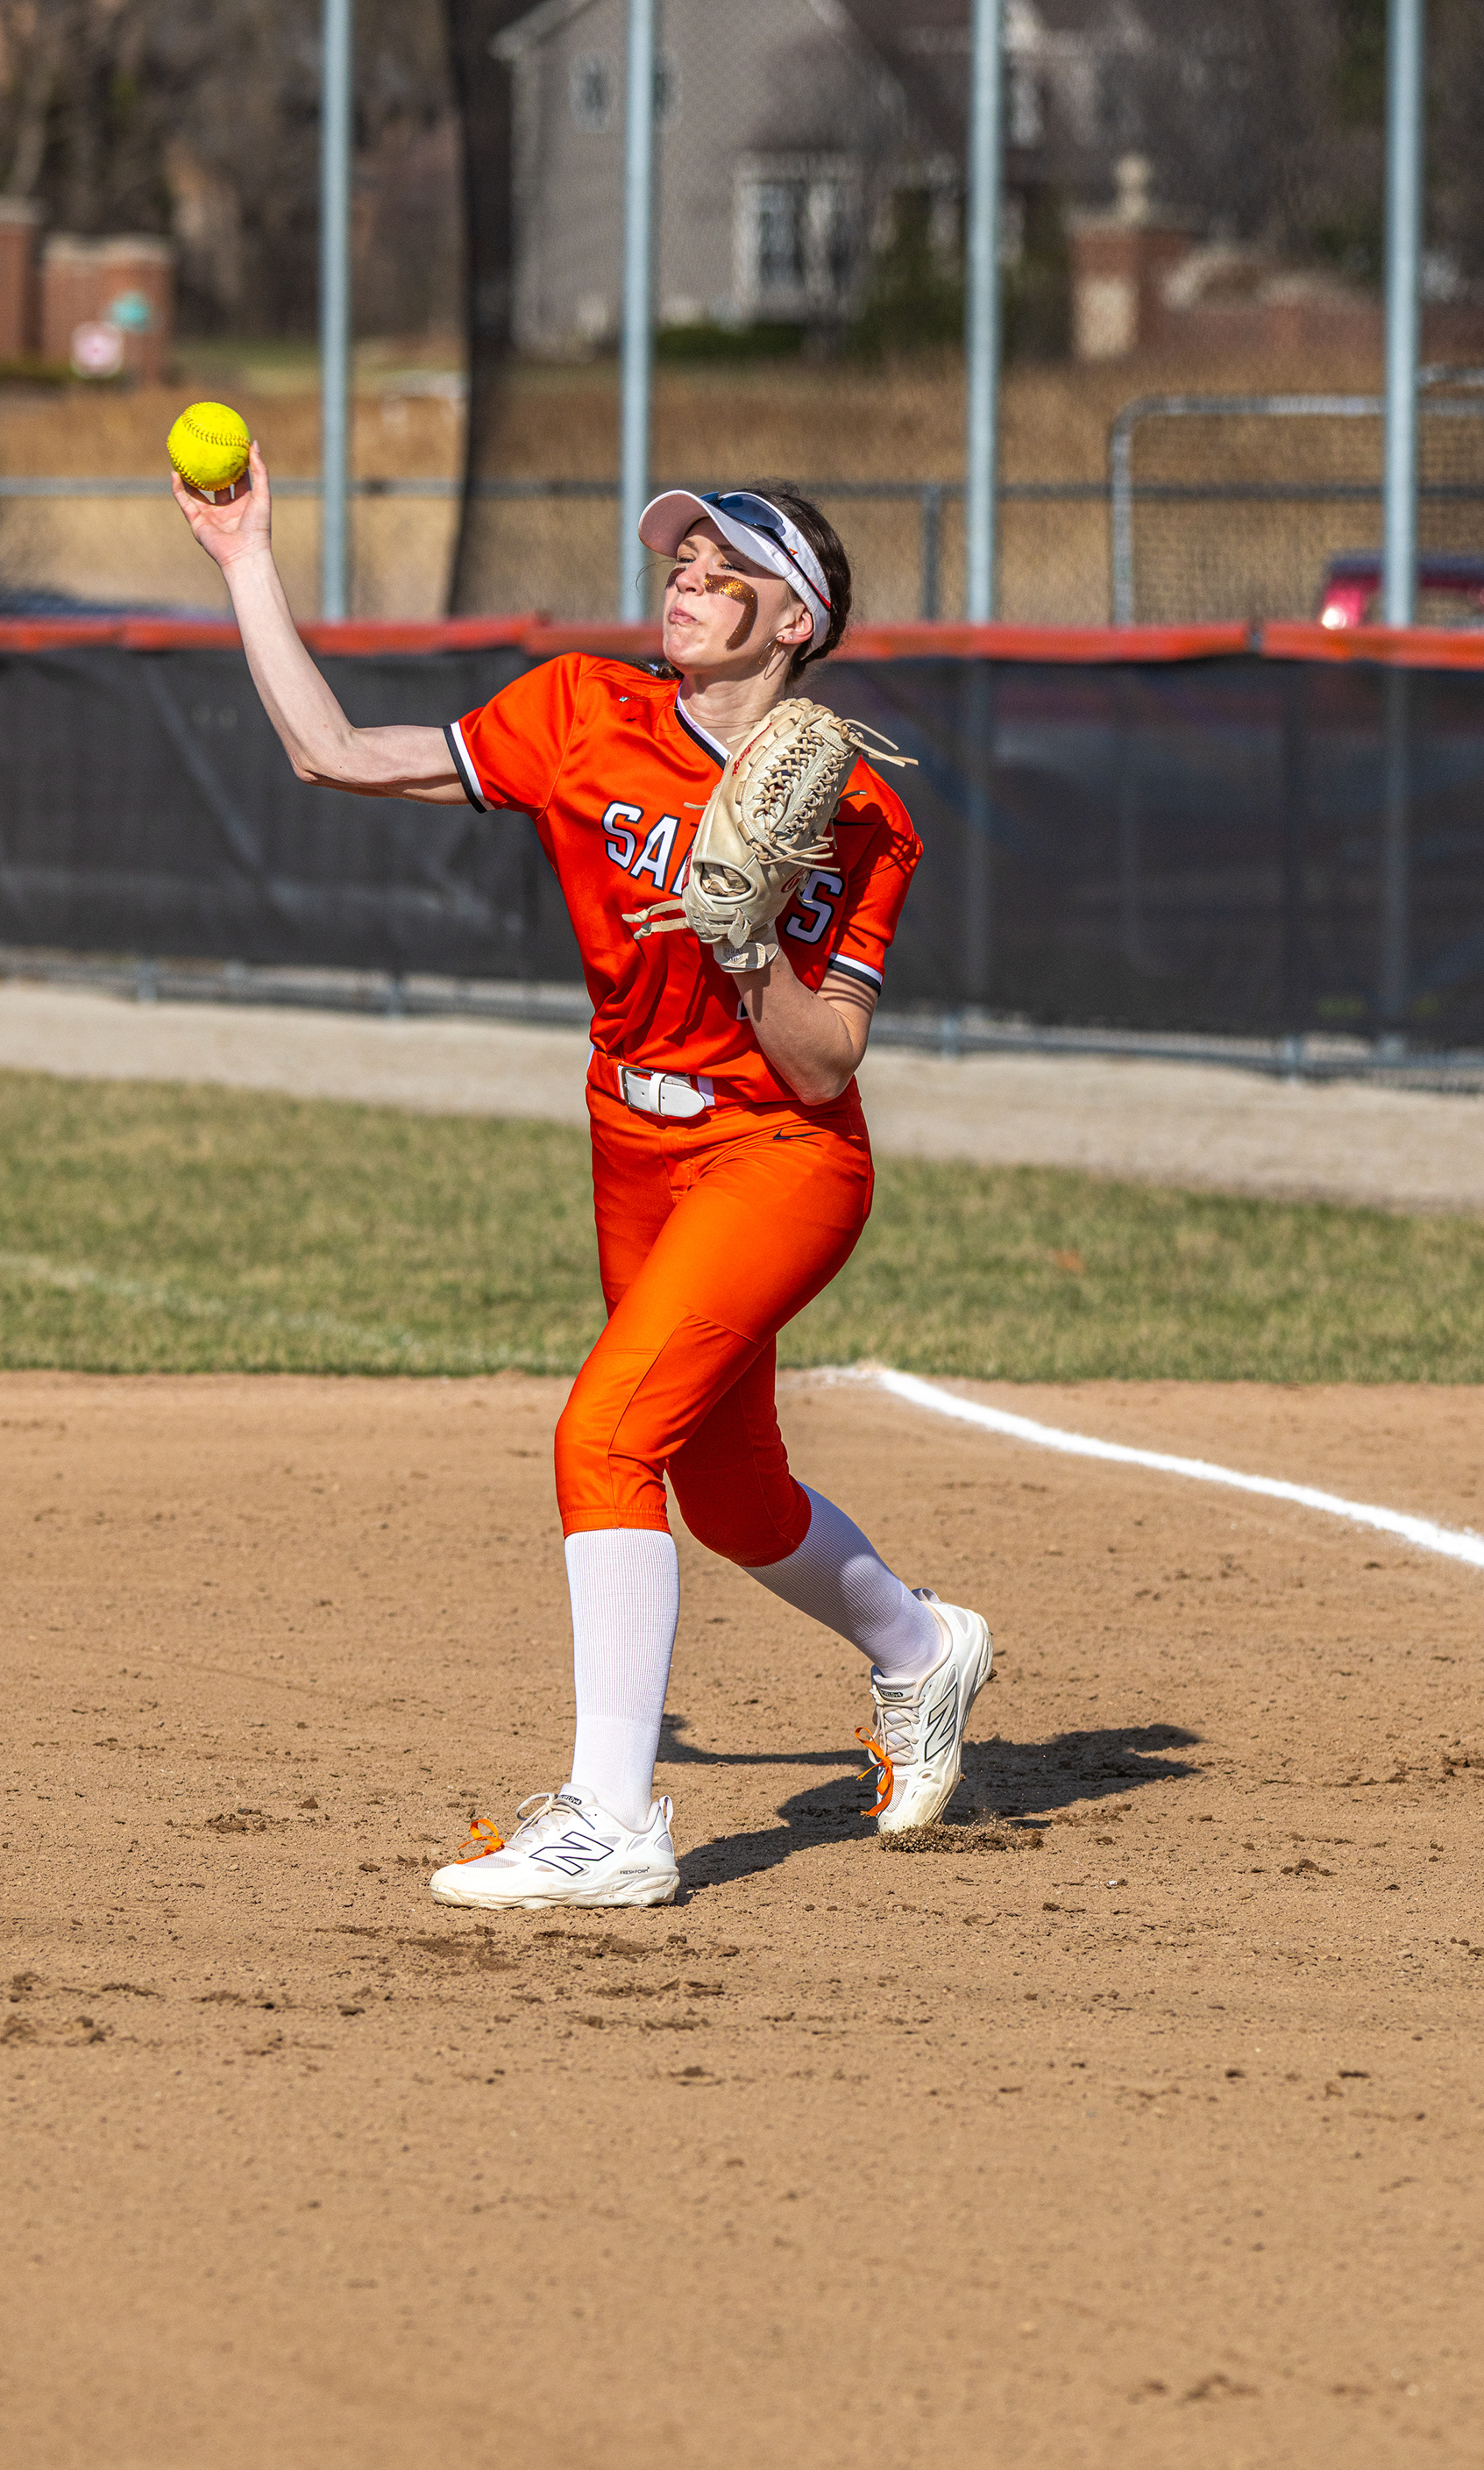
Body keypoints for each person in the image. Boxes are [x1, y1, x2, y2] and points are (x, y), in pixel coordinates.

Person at [173, 450, 992, 1910]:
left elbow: (823, 1067)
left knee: (603, 1437)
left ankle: (612, 1822)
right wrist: (246, 560)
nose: (688, 579)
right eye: (683, 560)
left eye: (728, 570)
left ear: (794, 620)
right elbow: (334, 753)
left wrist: (747, 938)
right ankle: (923, 1651)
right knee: (729, 1494)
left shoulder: (860, 813)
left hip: (778, 1155)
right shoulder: (579, 713)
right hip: (631, 1142)